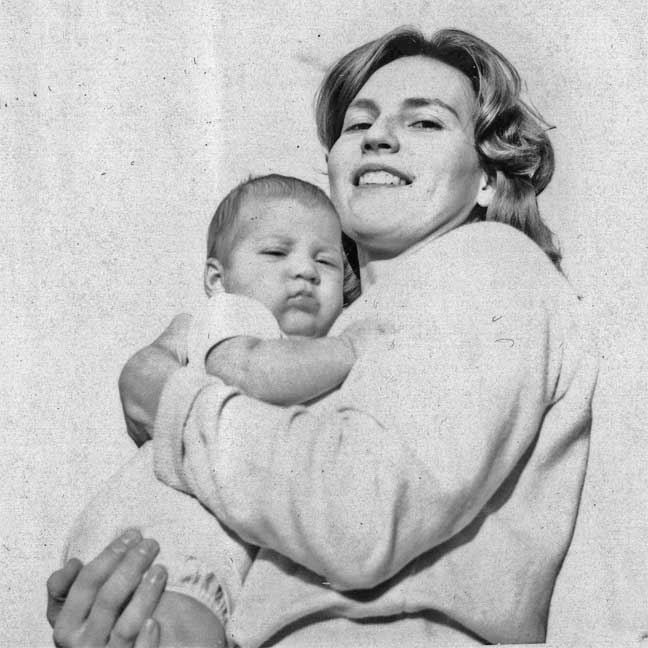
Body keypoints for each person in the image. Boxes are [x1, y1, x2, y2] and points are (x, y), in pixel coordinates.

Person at [47, 26, 599, 647]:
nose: (378, 136)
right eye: (358, 123)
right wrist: (135, 609)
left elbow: (359, 513)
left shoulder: (489, 261)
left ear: (488, 181)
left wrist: (168, 400)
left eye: (425, 122)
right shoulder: (332, 325)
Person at [56, 173, 389, 646]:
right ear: (218, 279)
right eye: (275, 253)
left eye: (326, 261)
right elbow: (253, 371)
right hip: (164, 527)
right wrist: (353, 349)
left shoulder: (302, 351)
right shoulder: (235, 316)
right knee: (169, 624)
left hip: (206, 549)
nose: (305, 271)